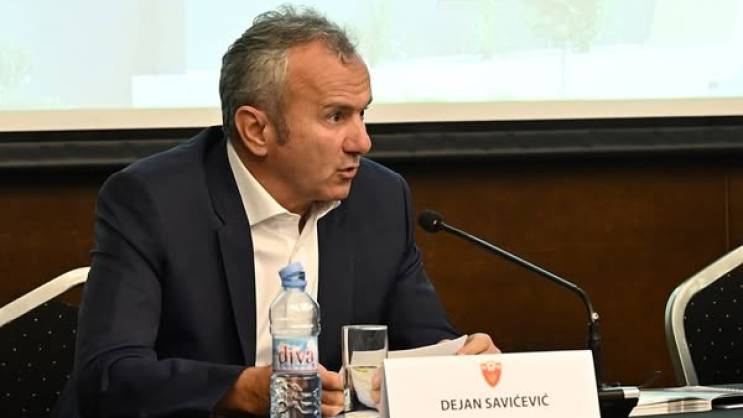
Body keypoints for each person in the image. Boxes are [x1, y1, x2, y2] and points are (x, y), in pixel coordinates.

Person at [61, 6, 498, 418]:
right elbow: (109, 376)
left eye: (362, 114)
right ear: (256, 129)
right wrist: (240, 391)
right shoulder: (154, 201)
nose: (362, 142)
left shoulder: (379, 199)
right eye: (336, 116)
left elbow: (425, 342)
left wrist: (457, 363)